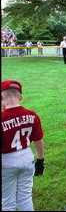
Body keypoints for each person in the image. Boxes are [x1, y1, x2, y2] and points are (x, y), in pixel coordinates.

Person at [2, 80, 45, 211]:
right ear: (20, 97)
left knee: (7, 202)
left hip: (6, 161)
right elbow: (38, 140)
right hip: (27, 158)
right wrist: (40, 159)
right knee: (25, 197)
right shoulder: (32, 115)